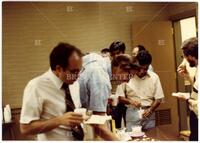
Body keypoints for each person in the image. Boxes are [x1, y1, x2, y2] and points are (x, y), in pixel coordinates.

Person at [20, 43, 84, 140]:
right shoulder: (36, 86)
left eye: (80, 70)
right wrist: (59, 121)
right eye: (73, 71)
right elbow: (25, 128)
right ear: (58, 69)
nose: (77, 75)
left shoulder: (74, 83)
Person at [78, 53, 133, 140]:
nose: (128, 81)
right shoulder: (102, 80)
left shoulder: (98, 60)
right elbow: (98, 124)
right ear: (119, 67)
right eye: (129, 75)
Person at [118, 50, 164, 132]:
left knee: (150, 138)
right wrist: (131, 101)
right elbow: (120, 97)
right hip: (132, 113)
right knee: (133, 139)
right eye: (139, 68)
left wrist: (150, 110)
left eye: (145, 69)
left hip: (149, 114)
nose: (142, 71)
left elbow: (159, 98)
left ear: (149, 66)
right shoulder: (126, 76)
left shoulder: (154, 77)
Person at [176, 37, 198, 141]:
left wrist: (186, 98)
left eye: (184, 57)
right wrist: (187, 76)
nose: (184, 60)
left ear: (190, 56)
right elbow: (197, 89)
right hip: (194, 113)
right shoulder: (197, 68)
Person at [108, 41, 128, 129]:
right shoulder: (109, 66)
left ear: (123, 52)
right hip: (111, 99)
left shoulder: (128, 64)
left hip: (125, 100)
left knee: (124, 127)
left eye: (118, 53)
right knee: (113, 126)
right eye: (113, 54)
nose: (116, 56)